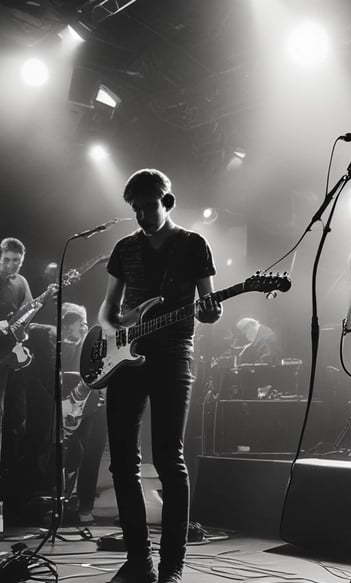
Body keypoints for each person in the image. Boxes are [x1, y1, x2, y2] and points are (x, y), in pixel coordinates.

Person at [98, 169, 222, 583]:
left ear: (166, 202)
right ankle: (139, 561)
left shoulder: (192, 244)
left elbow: (209, 305)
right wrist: (118, 334)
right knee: (122, 464)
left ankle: (172, 567)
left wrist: (211, 311)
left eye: (148, 206)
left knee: (170, 461)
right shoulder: (124, 248)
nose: (141, 214)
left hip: (172, 356)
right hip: (126, 359)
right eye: (134, 208)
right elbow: (107, 309)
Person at [59, 302, 107, 524]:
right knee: (65, 455)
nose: (85, 327)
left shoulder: (93, 346)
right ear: (67, 324)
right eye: (81, 322)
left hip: (91, 409)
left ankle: (84, 507)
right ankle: (60, 505)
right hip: (65, 410)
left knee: (90, 455)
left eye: (87, 322)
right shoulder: (58, 345)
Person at [0, 237, 33, 488]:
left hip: (7, 356)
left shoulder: (21, 282)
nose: (11, 265)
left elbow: (28, 312)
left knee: (11, 416)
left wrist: (23, 332)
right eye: (7, 260)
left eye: (16, 261)